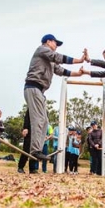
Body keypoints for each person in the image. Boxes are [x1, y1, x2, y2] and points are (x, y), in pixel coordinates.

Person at [24, 34, 86, 162]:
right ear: (48, 41)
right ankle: (35, 150)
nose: (56, 46)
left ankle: (38, 150)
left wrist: (78, 74)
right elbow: (57, 57)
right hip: (33, 87)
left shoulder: (49, 61)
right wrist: (79, 60)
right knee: (38, 120)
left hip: (40, 91)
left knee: (45, 122)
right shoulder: (42, 50)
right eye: (55, 43)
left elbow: (61, 70)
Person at [17, 109, 38, 174]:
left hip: (37, 133)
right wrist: (25, 128)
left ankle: (32, 169)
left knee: (34, 151)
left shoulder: (42, 109)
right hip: (29, 132)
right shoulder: (31, 108)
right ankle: (20, 167)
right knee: (26, 150)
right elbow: (27, 118)